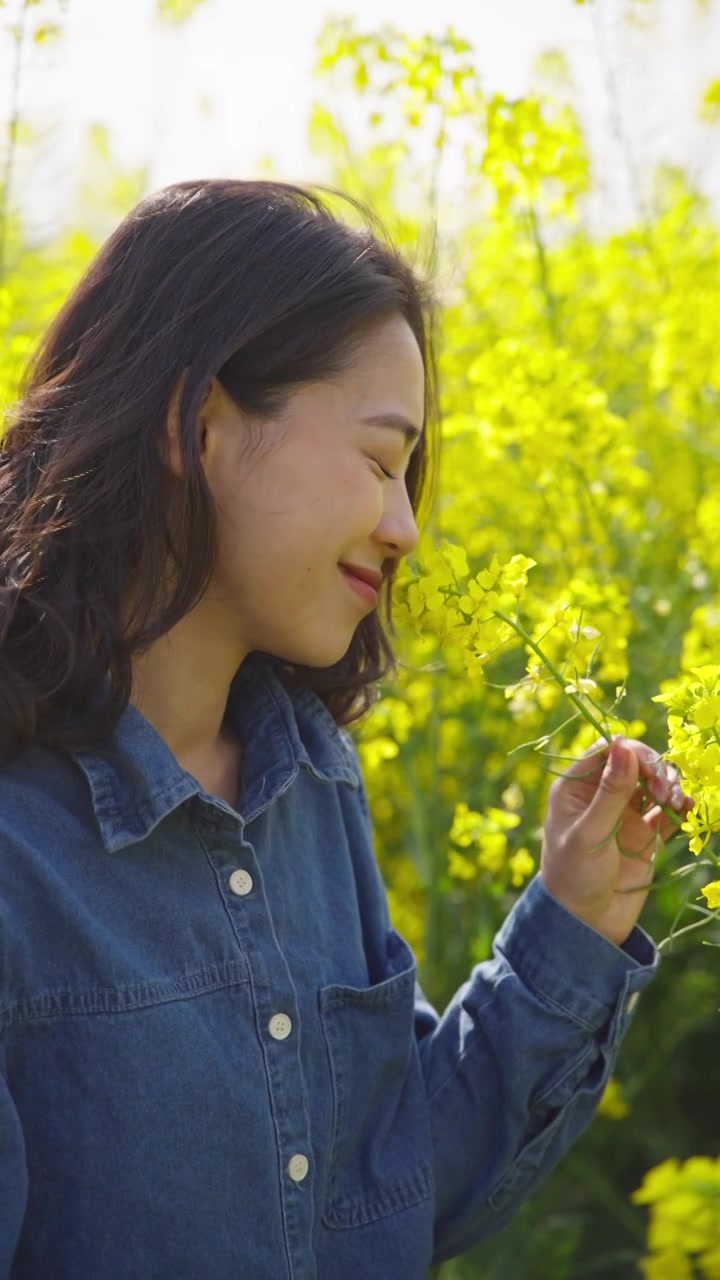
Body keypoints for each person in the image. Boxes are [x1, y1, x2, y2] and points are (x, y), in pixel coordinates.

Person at [0, 178, 693, 1279]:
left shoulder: (309, 777)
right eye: (380, 461)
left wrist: (575, 917)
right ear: (203, 423)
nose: (408, 526)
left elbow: (390, 1187)